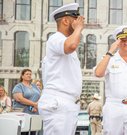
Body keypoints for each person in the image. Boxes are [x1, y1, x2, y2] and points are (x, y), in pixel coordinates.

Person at [37, 3, 85, 135]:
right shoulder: (56, 38)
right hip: (59, 102)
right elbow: (71, 45)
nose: (79, 22)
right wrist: (78, 29)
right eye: (76, 19)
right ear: (65, 20)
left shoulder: (63, 40)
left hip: (66, 103)